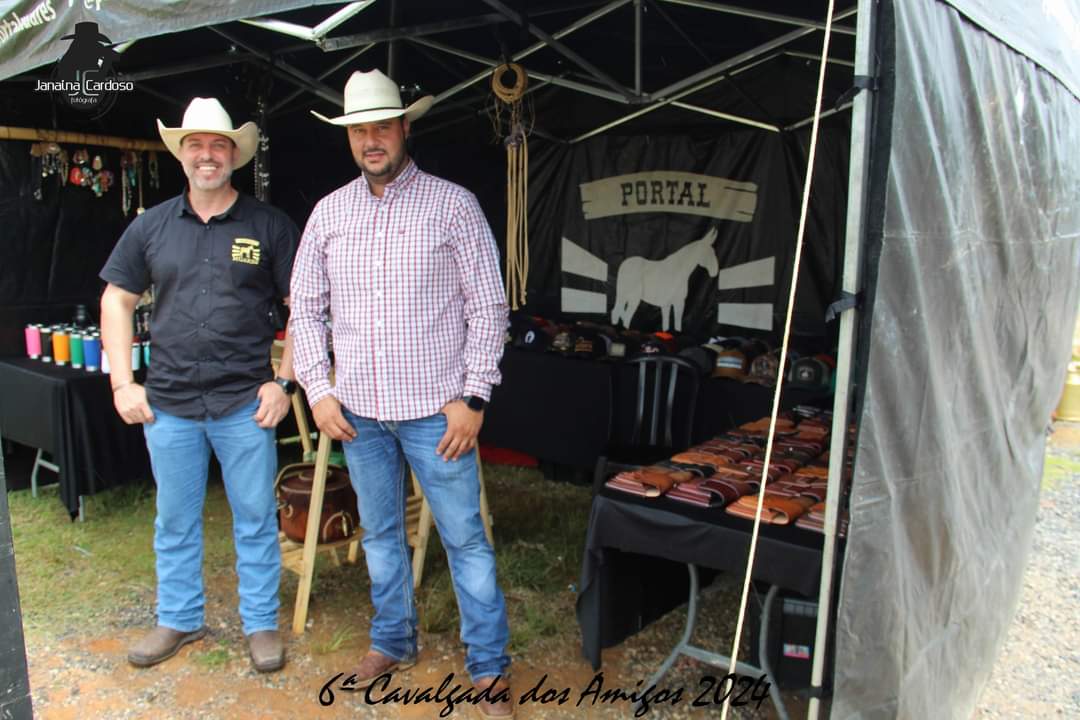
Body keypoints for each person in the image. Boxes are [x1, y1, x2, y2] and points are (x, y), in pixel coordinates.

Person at [290, 69, 513, 718]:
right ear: (348, 138)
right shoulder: (329, 214)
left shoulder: (453, 205)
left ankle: (489, 668)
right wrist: (319, 390)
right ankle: (392, 640)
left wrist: (474, 398)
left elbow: (489, 306)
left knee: (464, 539)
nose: (371, 140)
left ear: (405, 128)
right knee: (381, 533)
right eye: (359, 130)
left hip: (436, 415)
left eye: (382, 126)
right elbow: (305, 307)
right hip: (358, 413)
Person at [99, 97, 300, 673]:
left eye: (218, 145)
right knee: (174, 520)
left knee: (255, 518)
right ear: (181, 154)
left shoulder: (269, 225)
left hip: (245, 403)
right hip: (170, 404)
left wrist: (284, 382)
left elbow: (304, 307)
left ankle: (260, 624)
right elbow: (116, 299)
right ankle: (180, 617)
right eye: (196, 145)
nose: (207, 155)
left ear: (234, 155)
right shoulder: (151, 226)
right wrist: (121, 383)